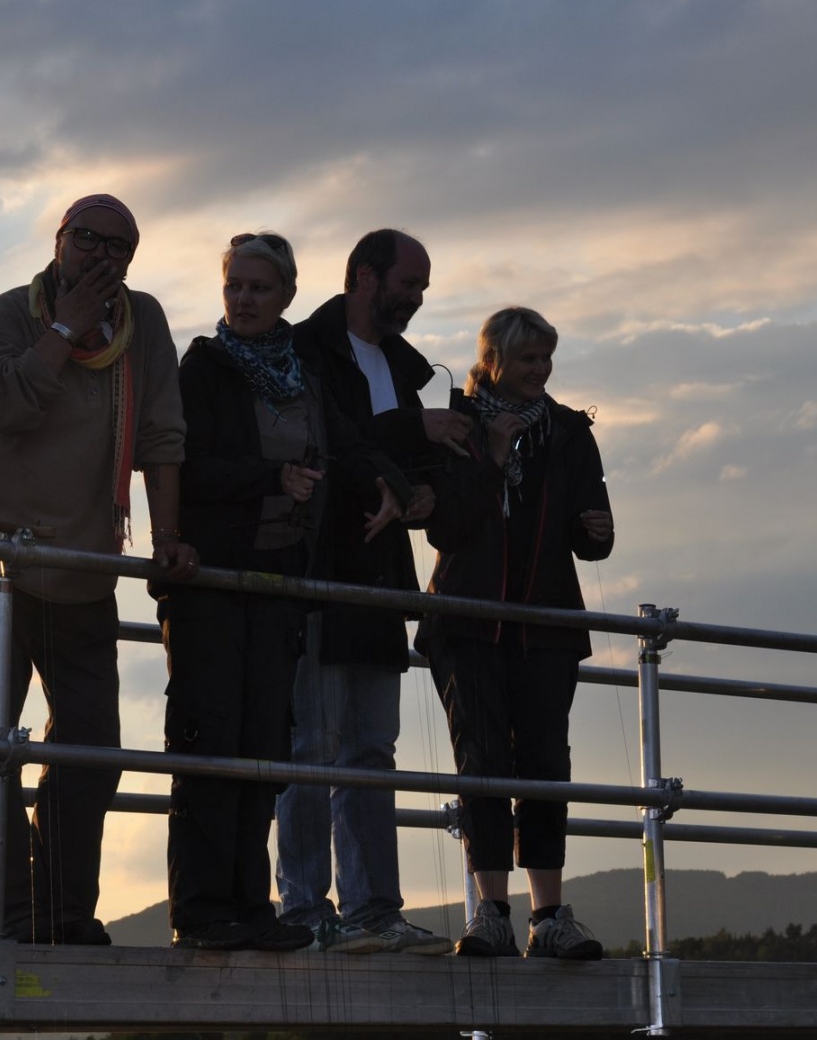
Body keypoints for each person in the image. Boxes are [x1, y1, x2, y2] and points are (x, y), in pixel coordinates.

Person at [0, 193, 198, 945]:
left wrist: (168, 534)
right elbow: (2, 409)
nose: (102, 256)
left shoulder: (144, 324)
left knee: (91, 747)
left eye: (118, 247)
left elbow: (162, 435)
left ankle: (63, 912)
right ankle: (8, 919)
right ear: (59, 241)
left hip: (79, 565)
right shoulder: (9, 314)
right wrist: (65, 328)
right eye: (88, 239)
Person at [160, 232, 410, 951]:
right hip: (213, 585)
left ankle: (251, 909)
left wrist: (389, 483)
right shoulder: (202, 368)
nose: (242, 299)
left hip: (280, 589)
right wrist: (269, 479)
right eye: (234, 285)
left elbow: (346, 445)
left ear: (287, 296)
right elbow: (184, 467)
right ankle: (202, 912)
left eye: (258, 288)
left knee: (265, 749)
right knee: (210, 747)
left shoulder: (305, 373)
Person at [275, 229, 469, 955]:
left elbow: (401, 459)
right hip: (318, 571)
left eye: (422, 288)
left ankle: (372, 911)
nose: (416, 299)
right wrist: (413, 432)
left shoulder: (401, 366)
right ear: (363, 276)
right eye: (408, 284)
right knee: (311, 745)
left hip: (381, 578)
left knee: (371, 750)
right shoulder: (301, 350)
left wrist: (423, 493)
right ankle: (303, 909)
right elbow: (327, 442)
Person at [416, 306, 615, 960]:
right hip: (466, 622)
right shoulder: (455, 425)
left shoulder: (569, 430)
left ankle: (549, 916)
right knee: (482, 763)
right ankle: (492, 913)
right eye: (528, 358)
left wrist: (597, 531)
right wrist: (494, 455)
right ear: (493, 359)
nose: (540, 369)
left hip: (546, 626)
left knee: (545, 764)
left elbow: (592, 535)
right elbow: (446, 527)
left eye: (546, 357)